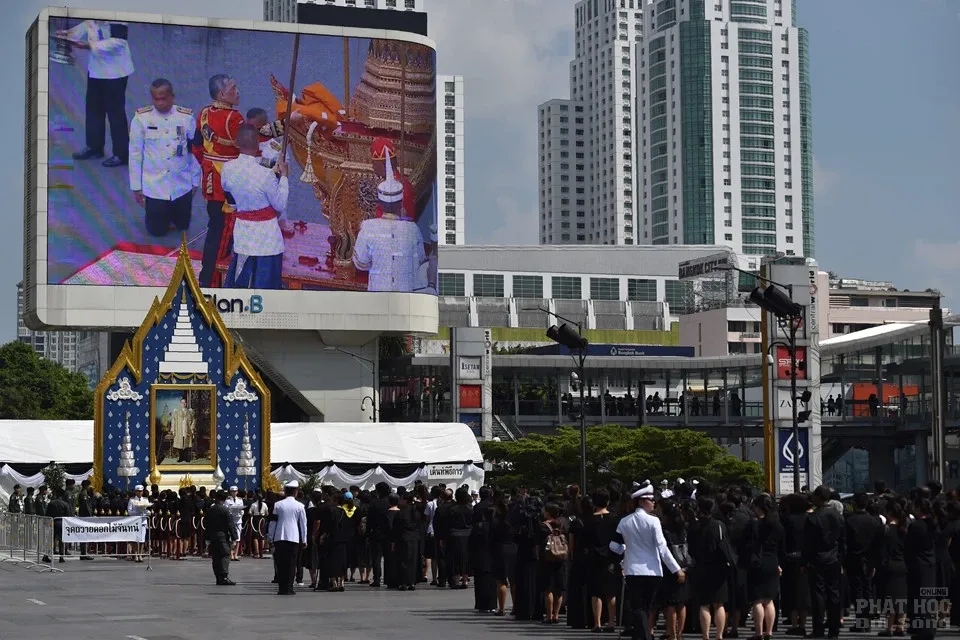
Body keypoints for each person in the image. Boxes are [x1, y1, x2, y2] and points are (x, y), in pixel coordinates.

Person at [191, 74, 295, 287]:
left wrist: (208, 166)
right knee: (223, 237)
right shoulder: (233, 118)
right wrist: (288, 124)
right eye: (233, 88)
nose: (238, 91)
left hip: (212, 181)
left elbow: (196, 146)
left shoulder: (203, 113)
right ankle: (211, 282)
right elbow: (256, 135)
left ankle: (208, 277)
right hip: (229, 185)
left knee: (215, 232)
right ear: (222, 94)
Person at [609, 482, 685, 640]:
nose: (654, 503)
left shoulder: (625, 521)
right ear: (642, 501)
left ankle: (642, 635)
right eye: (651, 500)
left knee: (639, 607)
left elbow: (613, 545)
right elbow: (662, 548)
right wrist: (676, 568)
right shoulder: (654, 521)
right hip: (653, 571)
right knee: (645, 607)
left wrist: (625, 550)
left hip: (632, 571)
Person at [55, 19, 133, 167]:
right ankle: (94, 147)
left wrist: (89, 46)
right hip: (96, 70)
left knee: (115, 113)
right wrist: (67, 35)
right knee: (93, 109)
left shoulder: (117, 18)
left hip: (116, 72)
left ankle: (121, 154)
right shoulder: (91, 17)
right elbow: (84, 27)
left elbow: (119, 42)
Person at [220, 124, 289, 289]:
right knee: (266, 289)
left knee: (239, 286)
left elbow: (232, 202)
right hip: (267, 239)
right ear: (258, 143)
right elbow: (280, 204)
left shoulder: (227, 168)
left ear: (237, 143)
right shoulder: (265, 172)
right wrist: (284, 176)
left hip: (243, 234)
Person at [128, 78, 200, 237]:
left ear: (172, 97)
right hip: (155, 187)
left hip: (181, 184)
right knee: (157, 231)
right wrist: (136, 187)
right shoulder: (141, 119)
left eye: (163, 98)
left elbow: (194, 151)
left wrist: (195, 181)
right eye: (156, 99)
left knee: (182, 226)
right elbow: (135, 154)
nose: (160, 103)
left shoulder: (186, 118)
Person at [352, 147, 427, 292]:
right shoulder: (412, 229)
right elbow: (420, 262)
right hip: (404, 300)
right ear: (400, 205)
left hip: (379, 298)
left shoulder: (368, 228)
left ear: (379, 204)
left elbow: (360, 263)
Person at [803, 485, 845, 639]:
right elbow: (843, 541)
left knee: (818, 596)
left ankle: (818, 629)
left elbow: (807, 544)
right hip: (834, 559)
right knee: (834, 593)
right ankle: (834, 630)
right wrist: (841, 559)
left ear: (818, 497)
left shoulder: (813, 518)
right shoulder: (838, 515)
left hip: (816, 560)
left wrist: (804, 562)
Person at [273, 480, 307, 595]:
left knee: (281, 563)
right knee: (291, 564)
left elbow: (273, 522)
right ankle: (289, 588)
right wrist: (305, 539)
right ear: (296, 491)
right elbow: (303, 524)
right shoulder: (300, 506)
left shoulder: (278, 505)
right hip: (293, 537)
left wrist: (270, 537)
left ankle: (281, 588)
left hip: (279, 537)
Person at [204, 490, 236, 585]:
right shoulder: (225, 510)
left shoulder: (211, 510)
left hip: (213, 536)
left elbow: (207, 524)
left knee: (216, 556)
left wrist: (207, 537)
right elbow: (230, 524)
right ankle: (224, 576)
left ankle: (218, 576)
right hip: (222, 536)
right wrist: (234, 537)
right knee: (225, 555)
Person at [171, 397, 196, 463]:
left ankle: (186, 458)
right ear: (180, 403)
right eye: (182, 402)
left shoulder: (190, 412)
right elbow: (173, 421)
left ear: (186, 403)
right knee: (180, 444)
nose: (183, 404)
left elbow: (194, 420)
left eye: (185, 402)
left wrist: (192, 428)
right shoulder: (176, 412)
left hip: (187, 430)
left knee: (186, 443)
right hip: (179, 430)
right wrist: (173, 430)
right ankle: (181, 458)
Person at [224, 486, 245, 561]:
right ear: (230, 492)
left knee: (238, 538)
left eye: (235, 491)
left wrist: (241, 513)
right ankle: (231, 554)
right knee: (230, 538)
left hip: (238, 520)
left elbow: (242, 510)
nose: (234, 492)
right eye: (233, 491)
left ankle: (236, 554)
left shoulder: (240, 500)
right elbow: (226, 510)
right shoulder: (227, 501)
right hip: (231, 520)